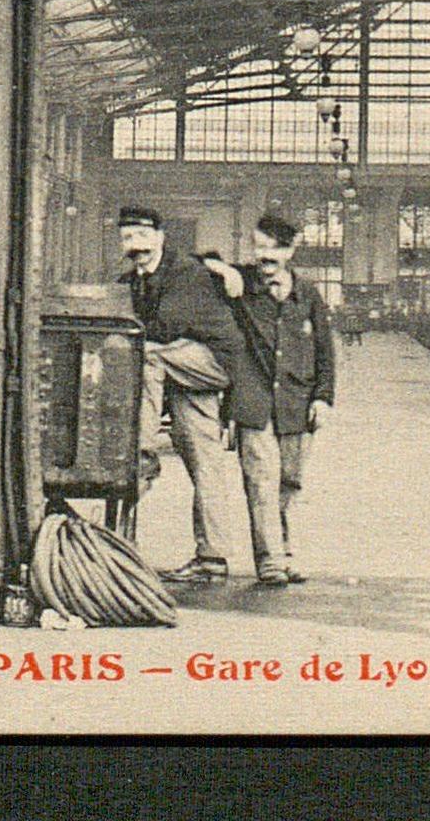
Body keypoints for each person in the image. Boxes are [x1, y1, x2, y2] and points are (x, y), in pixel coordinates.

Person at [117, 205, 260, 583]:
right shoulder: (133, 280)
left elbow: (164, 328)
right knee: (205, 460)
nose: (137, 246)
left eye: (144, 237)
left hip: (215, 360)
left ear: (161, 238)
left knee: (145, 354)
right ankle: (212, 558)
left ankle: (142, 450)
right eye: (128, 238)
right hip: (184, 372)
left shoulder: (185, 273)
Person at [217, 215, 338, 585]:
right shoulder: (243, 287)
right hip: (253, 403)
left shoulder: (309, 294)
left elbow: (324, 350)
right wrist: (223, 269)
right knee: (260, 481)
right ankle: (269, 560)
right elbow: (198, 261)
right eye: (258, 246)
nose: (263, 255)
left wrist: (323, 397)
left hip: (298, 403)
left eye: (272, 248)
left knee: (290, 481)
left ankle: (285, 553)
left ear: (289, 250)